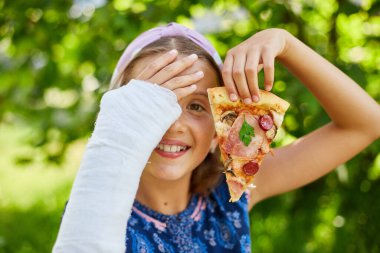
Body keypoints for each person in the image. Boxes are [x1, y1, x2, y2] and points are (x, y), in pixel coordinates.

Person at [53, 22, 380, 252]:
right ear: (122, 115)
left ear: (219, 129)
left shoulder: (232, 193)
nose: (173, 124)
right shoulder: (95, 210)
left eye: (196, 105)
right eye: (154, 101)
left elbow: (365, 124)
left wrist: (285, 43)